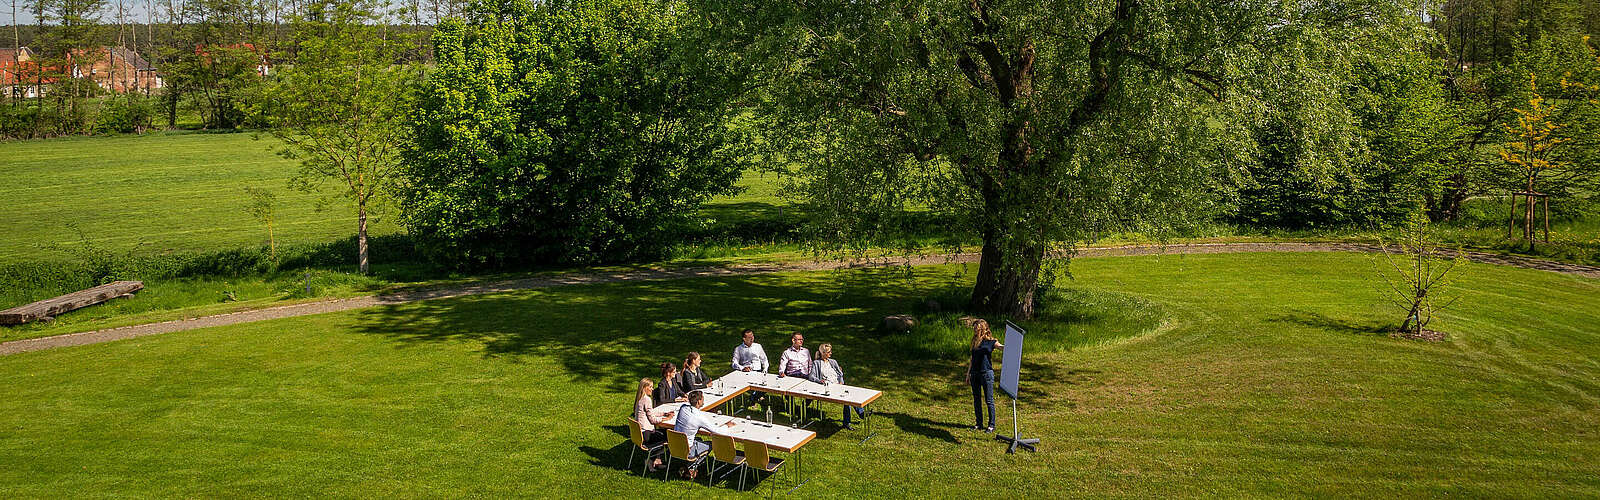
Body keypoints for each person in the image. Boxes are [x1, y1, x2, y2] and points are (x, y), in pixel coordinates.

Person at [672, 391, 730, 479]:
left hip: (674, 445)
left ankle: (686, 466)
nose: (704, 400)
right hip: (688, 450)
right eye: (703, 398)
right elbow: (716, 431)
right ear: (699, 401)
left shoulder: (683, 408)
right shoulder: (698, 417)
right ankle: (691, 467)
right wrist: (727, 425)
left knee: (699, 439)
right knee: (711, 444)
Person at [808, 343, 867, 430]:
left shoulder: (833, 361)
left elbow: (840, 374)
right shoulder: (816, 363)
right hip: (828, 387)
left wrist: (841, 383)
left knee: (850, 396)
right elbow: (811, 376)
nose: (831, 353)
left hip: (838, 385)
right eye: (829, 352)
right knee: (847, 399)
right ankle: (856, 417)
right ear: (823, 353)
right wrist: (820, 381)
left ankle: (858, 416)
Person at [966, 319, 1004, 432]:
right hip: (975, 374)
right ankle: (979, 423)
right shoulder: (974, 341)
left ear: (982, 328)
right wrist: (968, 374)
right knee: (976, 399)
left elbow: (1002, 347)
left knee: (989, 400)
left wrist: (1012, 343)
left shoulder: (991, 341)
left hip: (986, 373)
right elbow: (972, 358)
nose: (974, 329)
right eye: (974, 328)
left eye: (976, 327)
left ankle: (991, 425)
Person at [633, 378, 668, 472]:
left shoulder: (639, 399)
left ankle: (657, 460)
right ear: (644, 388)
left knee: (663, 433)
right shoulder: (647, 400)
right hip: (647, 434)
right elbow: (653, 420)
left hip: (640, 433)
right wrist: (665, 419)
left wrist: (663, 414)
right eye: (650, 387)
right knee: (669, 435)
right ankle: (650, 460)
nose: (652, 389)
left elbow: (650, 412)